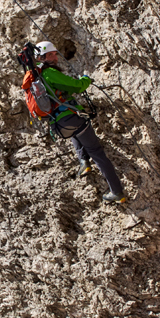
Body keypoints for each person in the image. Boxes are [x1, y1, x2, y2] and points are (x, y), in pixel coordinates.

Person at [34, 41, 126, 204]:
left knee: (75, 132)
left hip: (59, 123)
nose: (56, 56)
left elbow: (62, 91)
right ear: (44, 57)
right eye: (52, 54)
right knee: (97, 152)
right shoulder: (49, 73)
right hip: (71, 117)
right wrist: (85, 80)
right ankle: (117, 192)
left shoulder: (39, 77)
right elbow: (76, 86)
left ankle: (84, 161)